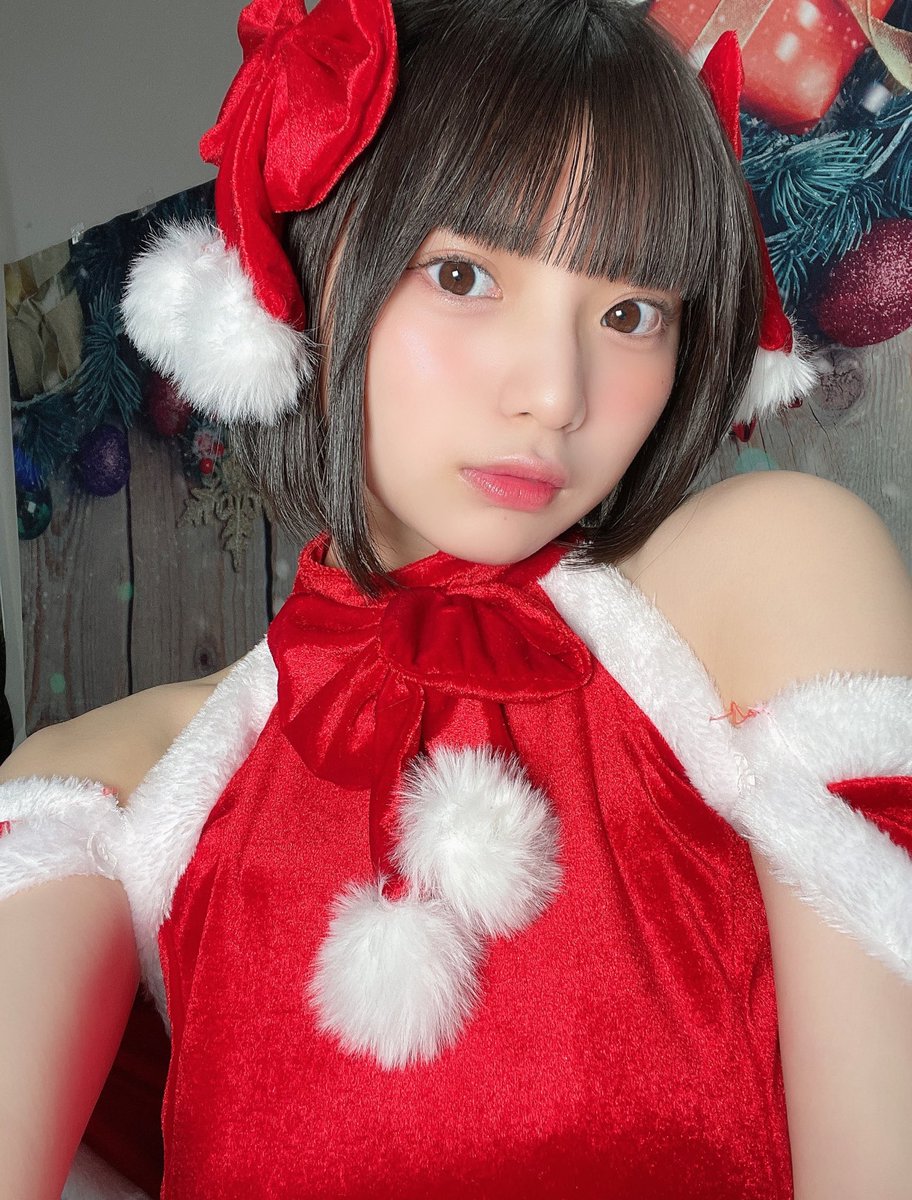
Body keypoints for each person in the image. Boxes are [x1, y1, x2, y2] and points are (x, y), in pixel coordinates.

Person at [2, 1, 912, 1197]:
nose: (556, 392)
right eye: (464, 274)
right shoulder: (113, 783)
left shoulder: (764, 576)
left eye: (630, 312)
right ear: (304, 286)